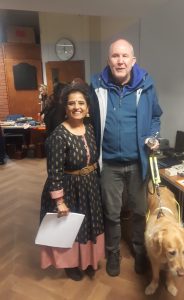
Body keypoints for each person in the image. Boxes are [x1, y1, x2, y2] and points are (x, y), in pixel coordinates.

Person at [90, 39, 163, 277]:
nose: (119, 61)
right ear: (108, 60)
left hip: (137, 163)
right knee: (110, 213)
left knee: (140, 212)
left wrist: (153, 136)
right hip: (109, 164)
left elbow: (155, 117)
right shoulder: (96, 85)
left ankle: (140, 252)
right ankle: (113, 254)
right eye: (114, 56)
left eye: (124, 56)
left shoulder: (147, 85)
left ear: (133, 61)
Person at [40, 83, 105, 281]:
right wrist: (59, 201)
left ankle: (87, 261)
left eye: (81, 103)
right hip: (68, 189)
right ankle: (71, 264)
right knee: (71, 228)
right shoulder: (58, 136)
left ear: (87, 108)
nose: (77, 107)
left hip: (90, 186)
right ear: (66, 108)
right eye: (71, 103)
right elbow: (54, 172)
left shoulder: (91, 128)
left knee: (89, 225)